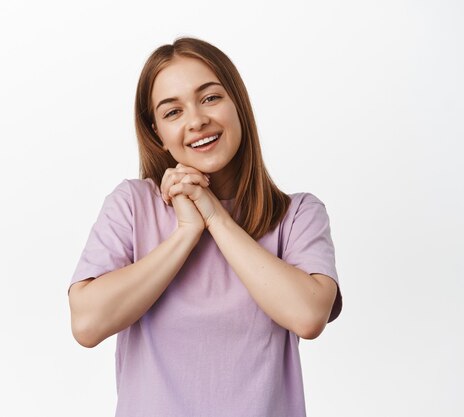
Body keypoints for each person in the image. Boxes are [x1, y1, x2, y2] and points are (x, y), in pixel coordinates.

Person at [68, 37, 343, 417]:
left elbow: (308, 316)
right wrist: (185, 232)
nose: (196, 121)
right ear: (157, 134)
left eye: (210, 98)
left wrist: (215, 217)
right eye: (172, 112)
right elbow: (87, 323)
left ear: (238, 105)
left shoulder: (297, 215)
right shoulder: (133, 205)